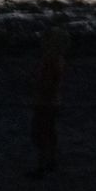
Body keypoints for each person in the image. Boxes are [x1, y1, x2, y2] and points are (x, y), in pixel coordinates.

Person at [28, 26, 69, 177]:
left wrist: (37, 88)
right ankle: (51, 161)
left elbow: (46, 84)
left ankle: (42, 165)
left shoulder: (50, 61)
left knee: (40, 133)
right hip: (52, 101)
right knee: (49, 132)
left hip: (45, 102)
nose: (42, 43)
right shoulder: (58, 60)